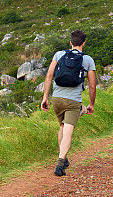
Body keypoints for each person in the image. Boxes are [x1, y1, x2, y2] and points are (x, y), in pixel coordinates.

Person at [40, 30, 96, 177]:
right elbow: (92, 85)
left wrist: (45, 97)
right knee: (68, 133)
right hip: (73, 102)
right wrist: (91, 104)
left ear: (70, 42)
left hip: (57, 99)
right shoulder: (88, 59)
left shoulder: (59, 55)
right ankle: (60, 164)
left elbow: (49, 76)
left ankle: (63, 159)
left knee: (62, 127)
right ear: (84, 43)